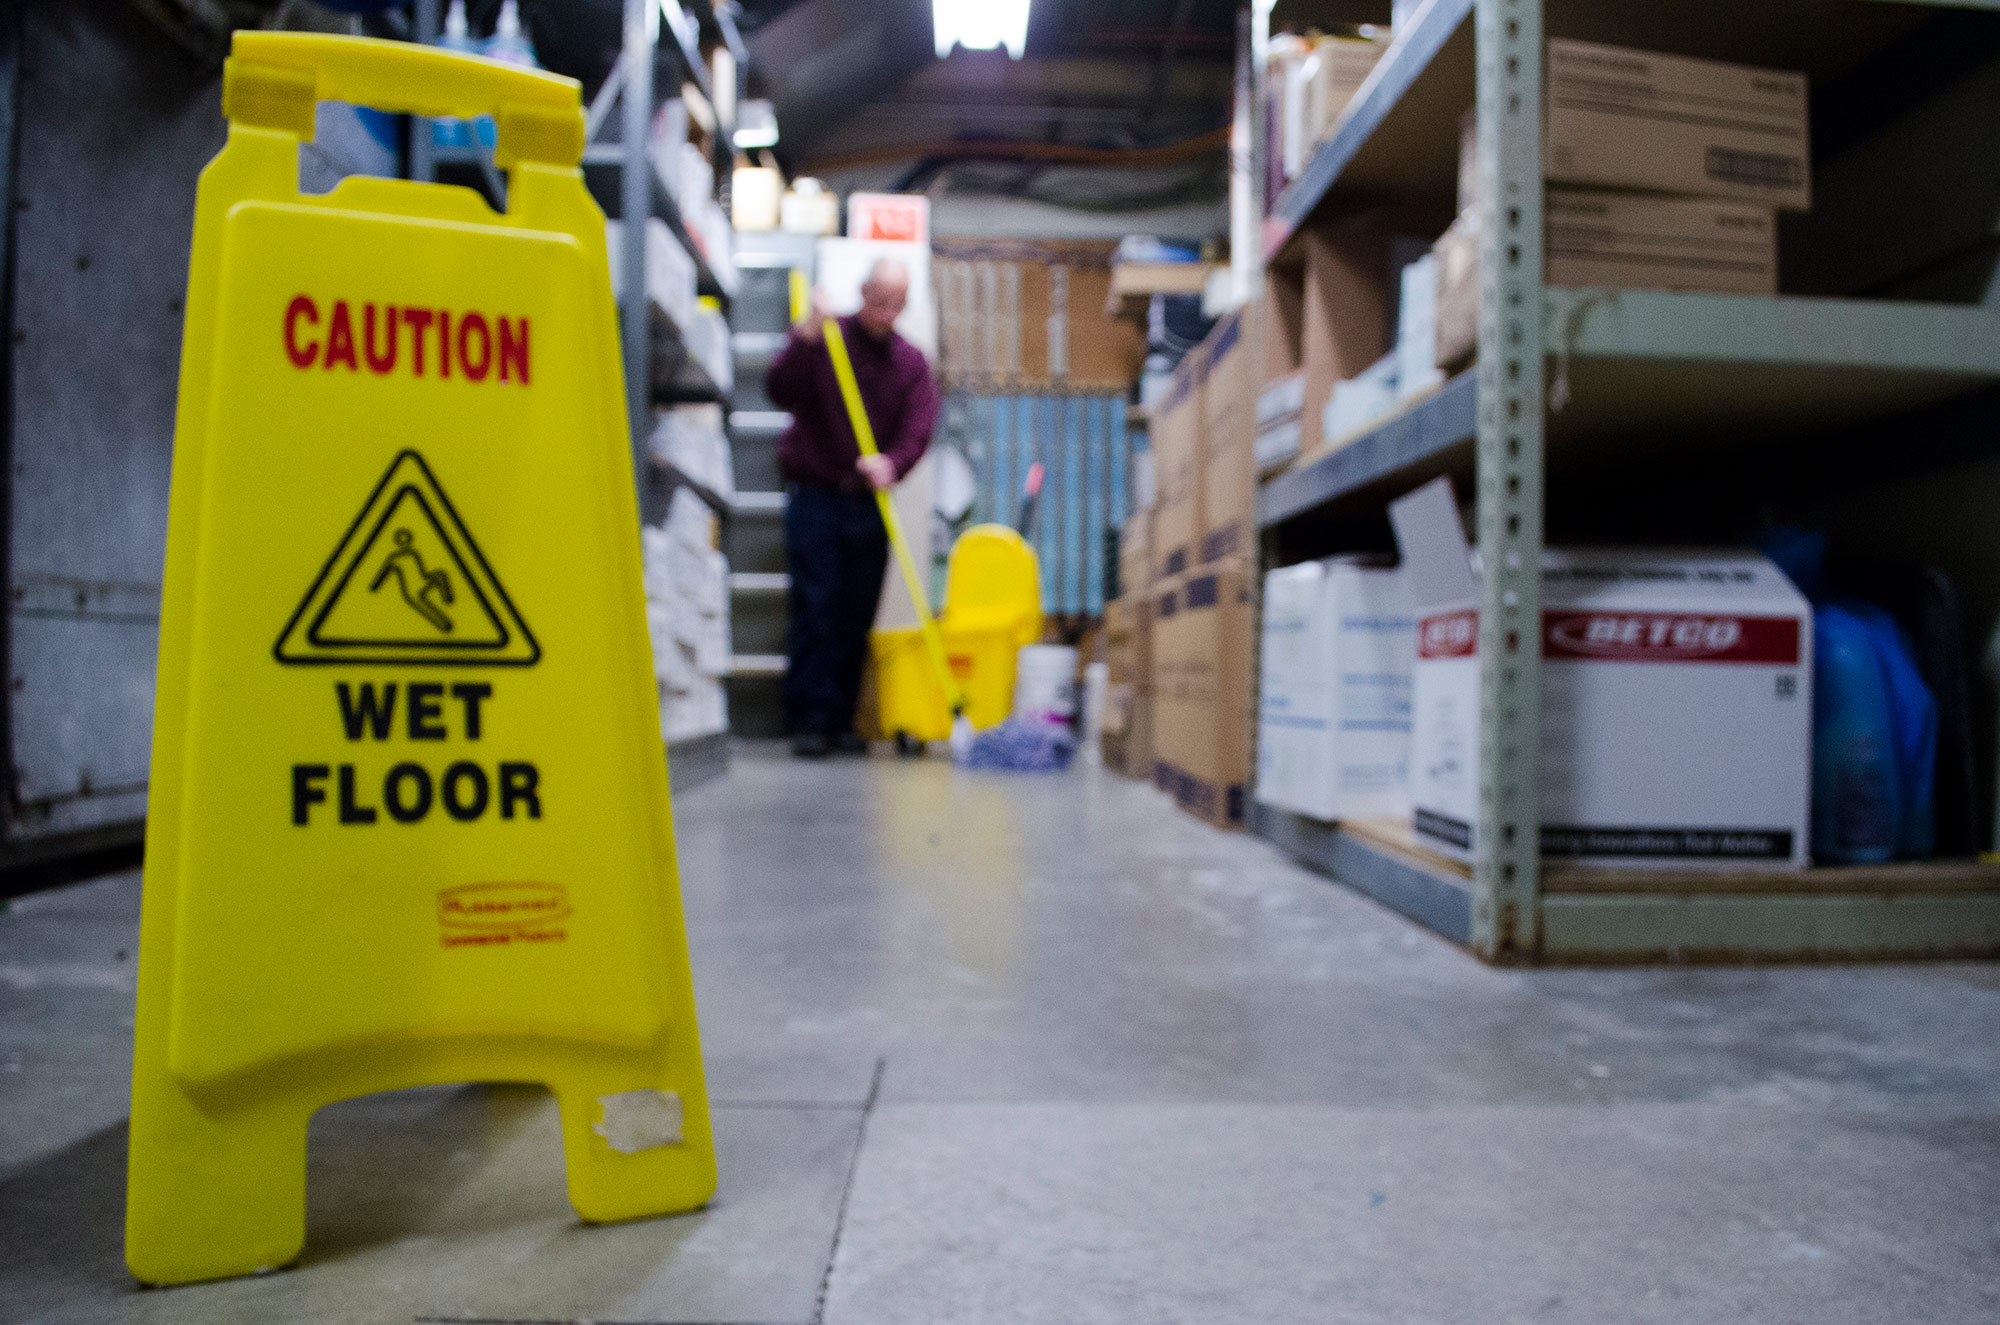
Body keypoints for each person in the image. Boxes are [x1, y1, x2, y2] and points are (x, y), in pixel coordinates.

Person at [765, 258, 941, 758]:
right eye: (879, 299)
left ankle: (843, 720)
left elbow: (918, 428)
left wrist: (892, 463)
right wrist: (805, 336)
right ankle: (809, 720)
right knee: (815, 605)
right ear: (863, 293)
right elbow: (779, 390)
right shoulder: (826, 338)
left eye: (896, 303)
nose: (886, 311)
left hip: (868, 502)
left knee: (856, 612)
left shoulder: (911, 362)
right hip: (816, 495)